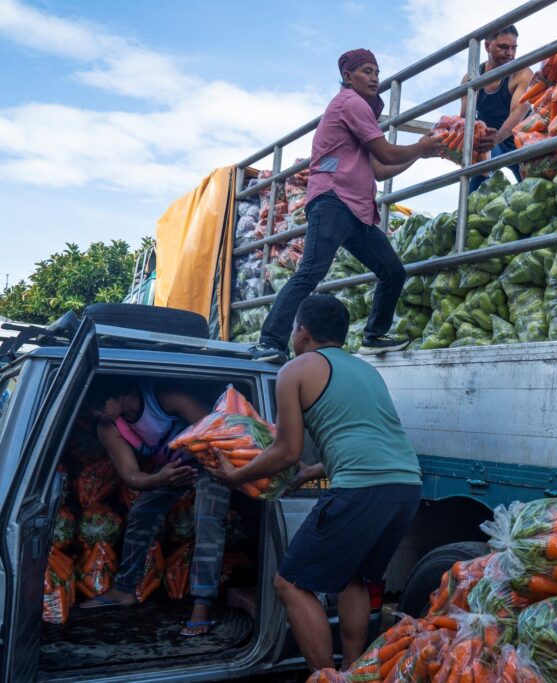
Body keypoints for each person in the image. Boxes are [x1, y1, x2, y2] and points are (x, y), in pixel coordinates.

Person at [215, 294, 422, 672]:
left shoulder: (295, 369)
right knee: (353, 579)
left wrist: (235, 475)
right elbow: (366, 438)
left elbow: (286, 451)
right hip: (405, 485)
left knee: (289, 583)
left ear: (302, 332)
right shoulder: (365, 370)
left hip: (361, 488)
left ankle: (324, 678)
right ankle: (355, 672)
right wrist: (313, 472)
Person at [252, 48, 445, 363]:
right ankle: (270, 342)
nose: (374, 78)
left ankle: (374, 336)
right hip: (333, 200)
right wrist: (420, 146)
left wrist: (419, 154)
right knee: (311, 271)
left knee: (392, 271)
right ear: (348, 76)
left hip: (357, 209)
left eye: (377, 72)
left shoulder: (359, 110)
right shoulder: (350, 103)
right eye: (367, 71)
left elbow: (380, 169)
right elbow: (385, 154)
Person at [79, 377, 229, 638]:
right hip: (173, 469)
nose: (95, 413)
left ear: (115, 393)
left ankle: (202, 605)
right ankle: (125, 589)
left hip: (212, 459)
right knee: (140, 514)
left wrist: (225, 472)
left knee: (206, 520)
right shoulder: (109, 427)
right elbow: (130, 475)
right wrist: (159, 479)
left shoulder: (167, 395)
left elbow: (218, 433)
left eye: (97, 405)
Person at [462, 26, 533, 192]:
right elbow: (465, 118)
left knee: (533, 188)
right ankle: (469, 210)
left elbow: (519, 112)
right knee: (481, 162)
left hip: (520, 139)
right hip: (491, 140)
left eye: (513, 47)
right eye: (503, 47)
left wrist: (499, 137)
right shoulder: (471, 78)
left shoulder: (522, 73)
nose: (510, 53)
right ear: (487, 46)